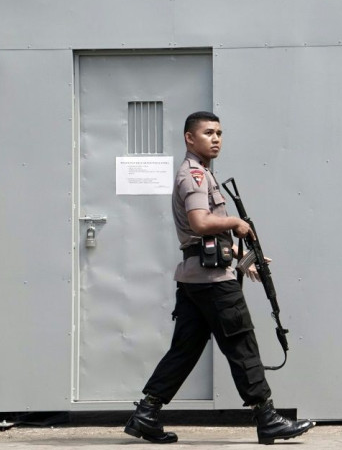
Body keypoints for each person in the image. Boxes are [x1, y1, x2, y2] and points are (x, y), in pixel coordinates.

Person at [124, 111, 315, 444]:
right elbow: (200, 223)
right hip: (212, 284)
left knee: (185, 349)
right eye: (208, 133)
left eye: (220, 133)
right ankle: (267, 418)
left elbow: (207, 241)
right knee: (242, 343)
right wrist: (236, 225)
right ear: (189, 138)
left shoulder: (201, 174)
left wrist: (244, 259)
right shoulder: (195, 176)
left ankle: (147, 412)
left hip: (197, 278)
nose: (216, 139)